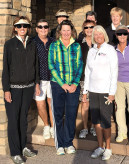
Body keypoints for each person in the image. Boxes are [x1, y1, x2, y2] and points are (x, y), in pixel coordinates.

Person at [2, 16, 40, 164]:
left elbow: (35, 65)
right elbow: (6, 69)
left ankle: (23, 146)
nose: (22, 28)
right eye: (19, 26)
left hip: (28, 88)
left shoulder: (32, 43)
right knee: (13, 120)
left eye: (25, 25)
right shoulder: (10, 44)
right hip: (14, 89)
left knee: (23, 120)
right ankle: (15, 152)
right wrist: (6, 90)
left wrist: (36, 83)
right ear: (15, 28)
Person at [83, 25, 118, 160]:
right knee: (96, 121)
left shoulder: (110, 50)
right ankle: (100, 146)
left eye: (100, 34)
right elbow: (88, 72)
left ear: (104, 35)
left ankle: (108, 148)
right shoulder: (91, 51)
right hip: (93, 90)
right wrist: (85, 91)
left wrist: (112, 92)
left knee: (105, 121)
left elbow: (114, 72)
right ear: (93, 36)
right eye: (95, 34)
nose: (98, 36)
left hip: (105, 92)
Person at [48, 20, 83, 155]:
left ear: (72, 31)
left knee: (71, 114)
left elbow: (79, 65)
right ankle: (60, 145)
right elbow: (51, 65)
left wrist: (74, 84)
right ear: (59, 31)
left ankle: (68, 143)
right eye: (64, 30)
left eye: (68, 30)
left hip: (73, 86)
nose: (66, 33)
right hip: (58, 85)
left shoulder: (76, 46)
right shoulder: (54, 46)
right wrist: (62, 84)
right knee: (58, 114)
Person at [33, 19, 55, 140]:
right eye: (40, 27)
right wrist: (35, 82)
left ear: (48, 29)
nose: (43, 29)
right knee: (40, 104)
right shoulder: (32, 42)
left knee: (51, 103)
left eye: (45, 27)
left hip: (52, 78)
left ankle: (53, 127)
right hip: (39, 79)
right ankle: (46, 125)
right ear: (36, 29)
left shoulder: (53, 42)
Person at [78, 20, 96, 139]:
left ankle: (94, 127)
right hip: (83, 78)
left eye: (91, 27)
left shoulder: (99, 42)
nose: (89, 29)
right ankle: (84, 128)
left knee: (95, 104)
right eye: (86, 27)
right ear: (83, 30)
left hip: (97, 79)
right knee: (85, 104)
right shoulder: (78, 43)